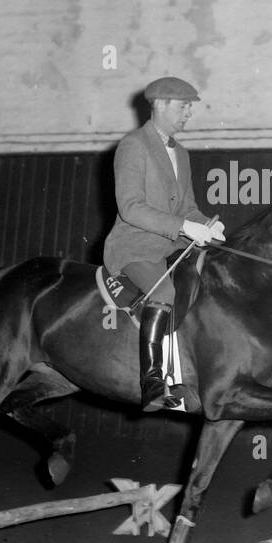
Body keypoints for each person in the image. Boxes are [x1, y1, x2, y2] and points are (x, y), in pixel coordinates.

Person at [103, 76, 225, 410]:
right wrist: (184, 225)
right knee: (163, 292)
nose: (189, 113)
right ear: (159, 104)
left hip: (171, 246)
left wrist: (207, 226)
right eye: (184, 106)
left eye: (190, 107)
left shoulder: (181, 154)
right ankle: (153, 383)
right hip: (134, 246)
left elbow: (188, 208)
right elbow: (130, 208)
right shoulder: (133, 146)